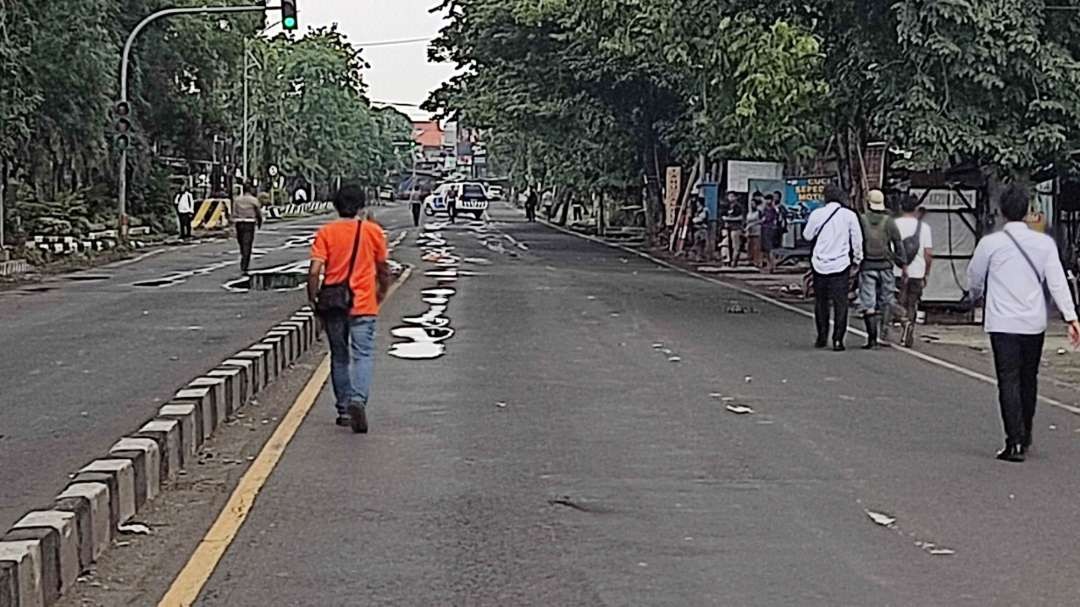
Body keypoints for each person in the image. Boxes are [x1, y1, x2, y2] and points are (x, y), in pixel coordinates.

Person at [967, 184, 1080, 462]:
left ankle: (1013, 441)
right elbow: (1057, 282)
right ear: (1029, 211)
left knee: (1008, 380)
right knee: (1029, 378)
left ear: (1003, 212)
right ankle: (1026, 433)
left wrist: (976, 296)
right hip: (1033, 323)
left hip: (1002, 323)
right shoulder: (1043, 244)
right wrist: (1071, 317)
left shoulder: (990, 244)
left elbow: (974, 278)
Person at [308, 184, 391, 433]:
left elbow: (314, 271)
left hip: (334, 304)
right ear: (361, 205)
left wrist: (313, 299)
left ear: (335, 205)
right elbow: (383, 268)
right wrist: (381, 292)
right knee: (363, 354)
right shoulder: (373, 232)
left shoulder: (326, 232)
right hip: (364, 303)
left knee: (339, 356)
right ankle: (358, 399)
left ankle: (344, 409)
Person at [803, 184, 863, 351]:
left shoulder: (817, 214)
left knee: (821, 302)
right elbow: (857, 240)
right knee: (840, 303)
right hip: (841, 264)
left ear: (825, 198)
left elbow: (807, 235)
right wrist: (858, 260)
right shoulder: (849, 215)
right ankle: (838, 340)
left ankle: (822, 337)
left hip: (819, 264)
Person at [858, 189, 906, 349]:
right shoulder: (889, 221)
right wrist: (902, 262)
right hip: (885, 265)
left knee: (868, 303)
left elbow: (857, 242)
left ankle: (871, 339)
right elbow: (898, 243)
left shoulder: (862, 220)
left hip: (867, 266)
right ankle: (884, 332)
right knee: (887, 300)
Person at [894, 194, 933, 347]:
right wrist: (927, 273)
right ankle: (909, 328)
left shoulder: (894, 224)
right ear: (916, 208)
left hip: (897, 271)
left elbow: (890, 249)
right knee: (912, 303)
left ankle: (903, 323)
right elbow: (928, 253)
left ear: (900, 207)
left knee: (895, 301)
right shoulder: (924, 228)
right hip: (917, 271)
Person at [231, 183, 262, 274]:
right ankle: (245, 261)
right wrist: (259, 222)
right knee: (247, 243)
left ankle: (243, 255)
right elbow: (258, 212)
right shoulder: (253, 200)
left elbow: (234, 212)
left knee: (241, 241)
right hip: (250, 223)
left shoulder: (237, 200)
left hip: (239, 223)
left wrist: (233, 222)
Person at [761, 195, 780, 273]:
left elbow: (775, 219)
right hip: (764, 229)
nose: (767, 201)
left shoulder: (773, 209)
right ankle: (769, 266)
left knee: (770, 249)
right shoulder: (764, 209)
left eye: (768, 200)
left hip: (770, 229)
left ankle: (772, 266)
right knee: (765, 250)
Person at [746, 198, 763, 268]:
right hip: (749, 231)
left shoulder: (758, 212)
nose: (752, 205)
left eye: (753, 204)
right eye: (751, 204)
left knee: (756, 247)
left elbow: (762, 220)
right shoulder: (749, 213)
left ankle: (757, 261)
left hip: (757, 231)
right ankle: (750, 260)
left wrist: (753, 224)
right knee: (749, 246)